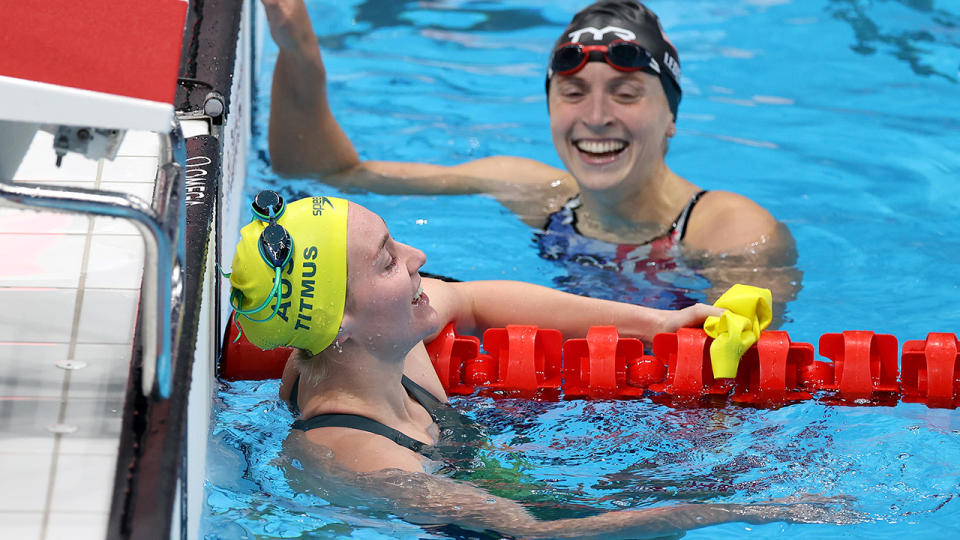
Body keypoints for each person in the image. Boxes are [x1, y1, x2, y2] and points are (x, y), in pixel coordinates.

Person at [227, 191, 858, 537]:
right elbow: (527, 536)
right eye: (389, 260)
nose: (418, 255)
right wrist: (738, 512)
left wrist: (656, 323)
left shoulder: (383, 342)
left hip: (482, 476)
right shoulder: (356, 454)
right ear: (340, 321)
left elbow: (475, 299)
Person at [261, 0, 801, 315]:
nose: (595, 115)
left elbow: (735, 389)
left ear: (672, 118)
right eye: (572, 93)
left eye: (626, 93)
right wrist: (300, 51)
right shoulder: (534, 193)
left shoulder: (730, 234)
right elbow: (324, 172)